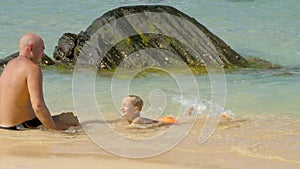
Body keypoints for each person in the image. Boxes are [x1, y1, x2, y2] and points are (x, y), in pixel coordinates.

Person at [0, 33, 79, 130]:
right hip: (23, 126)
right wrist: (54, 131)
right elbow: (38, 106)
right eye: (42, 49)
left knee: (66, 118)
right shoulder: (32, 68)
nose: (43, 54)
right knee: (73, 122)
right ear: (31, 48)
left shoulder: (9, 65)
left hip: (4, 126)